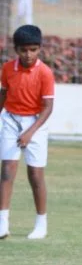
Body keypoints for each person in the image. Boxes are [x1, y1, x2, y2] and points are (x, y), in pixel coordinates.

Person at [0, 25, 55, 240]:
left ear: (39, 49)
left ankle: (41, 223)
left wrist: (30, 133)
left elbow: (48, 107)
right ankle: (3, 223)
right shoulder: (7, 69)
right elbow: (3, 95)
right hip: (11, 120)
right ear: (16, 49)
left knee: (35, 174)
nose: (28, 54)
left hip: (36, 123)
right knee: (7, 171)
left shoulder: (44, 73)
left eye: (33, 49)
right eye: (24, 50)